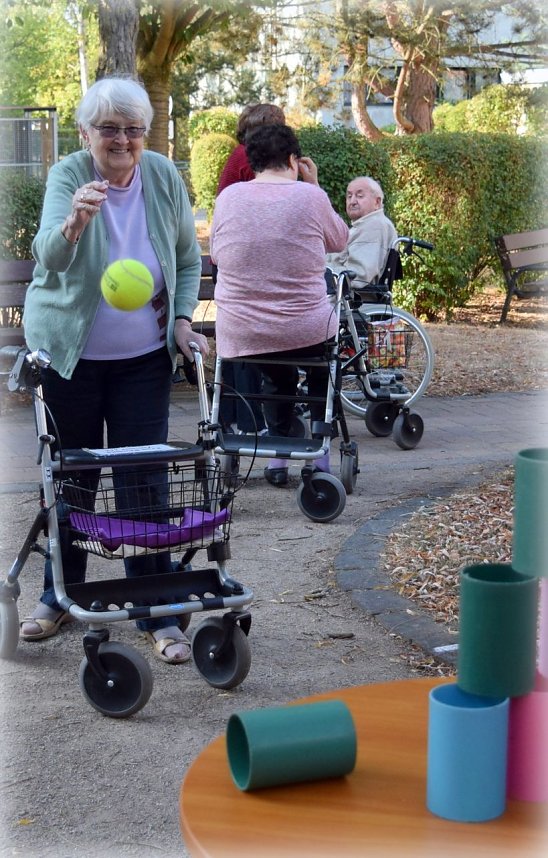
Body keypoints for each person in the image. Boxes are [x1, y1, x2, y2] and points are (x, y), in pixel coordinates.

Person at [20, 76, 209, 664]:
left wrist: (181, 319)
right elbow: (46, 255)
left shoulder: (162, 175)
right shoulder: (69, 175)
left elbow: (184, 256)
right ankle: (59, 594)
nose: (123, 140)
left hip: (143, 358)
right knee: (71, 476)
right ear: (86, 133)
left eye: (133, 129)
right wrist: (75, 222)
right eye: (109, 129)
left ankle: (155, 609)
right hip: (68, 354)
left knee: (145, 481)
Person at [210, 124, 349, 487]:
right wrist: (314, 184)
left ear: (252, 161)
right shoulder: (309, 197)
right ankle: (319, 456)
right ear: (293, 160)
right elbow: (339, 239)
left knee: (275, 374)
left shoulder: (228, 198)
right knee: (319, 371)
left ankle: (279, 456)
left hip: (242, 329)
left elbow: (217, 253)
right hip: (305, 328)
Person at [216, 103, 285, 436]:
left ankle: (230, 417)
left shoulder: (237, 155)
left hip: (232, 259)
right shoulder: (253, 160)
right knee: (249, 345)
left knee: (237, 344)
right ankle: (250, 421)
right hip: (249, 261)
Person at [326, 176, 397, 287]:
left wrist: (316, 273)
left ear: (377, 202)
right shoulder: (361, 227)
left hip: (346, 300)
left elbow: (357, 276)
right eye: (349, 196)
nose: (352, 201)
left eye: (359, 196)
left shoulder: (375, 225)